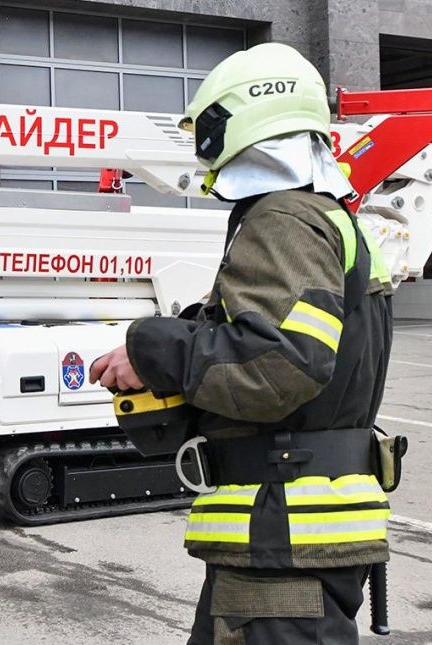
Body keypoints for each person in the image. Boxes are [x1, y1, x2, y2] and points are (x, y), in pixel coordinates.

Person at [89, 42, 394, 644]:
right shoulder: (328, 217)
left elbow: (280, 364)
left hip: (283, 533)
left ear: (240, 121)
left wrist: (152, 349)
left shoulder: (282, 219)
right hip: (290, 531)